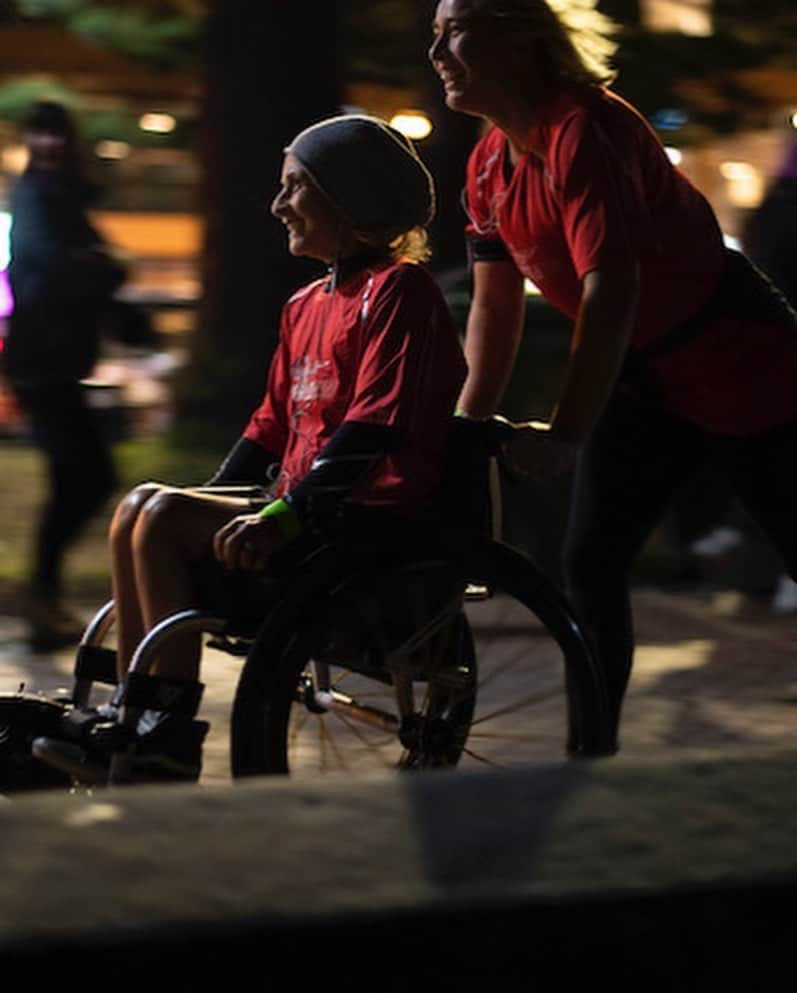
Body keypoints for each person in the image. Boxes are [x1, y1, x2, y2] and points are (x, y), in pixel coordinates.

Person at [33, 114, 467, 784]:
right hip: (306, 506)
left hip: (366, 519)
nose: (277, 204)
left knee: (164, 514)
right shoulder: (303, 305)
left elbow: (376, 422)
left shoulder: (398, 292)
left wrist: (282, 514)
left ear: (348, 200)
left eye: (296, 187)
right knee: (143, 506)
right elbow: (269, 426)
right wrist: (210, 499)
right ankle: (129, 711)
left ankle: (163, 736)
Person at [428, 0, 797, 748]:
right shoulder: (487, 163)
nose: (436, 49)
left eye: (455, 29)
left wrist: (566, 431)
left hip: (738, 359)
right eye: (433, 31)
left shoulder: (584, 128)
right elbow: (493, 310)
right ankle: (589, 754)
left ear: (523, 40)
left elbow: (611, 287)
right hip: (645, 374)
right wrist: (466, 424)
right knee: (591, 561)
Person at [3, 102, 125, 651]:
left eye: (56, 134)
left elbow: (75, 267)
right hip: (41, 365)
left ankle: (42, 598)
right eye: (39, 135)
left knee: (77, 478)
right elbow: (57, 266)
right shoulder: (37, 196)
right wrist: (106, 267)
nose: (49, 145)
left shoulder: (57, 196)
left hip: (52, 363)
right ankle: (41, 596)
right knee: (89, 475)